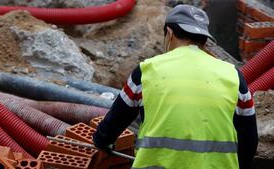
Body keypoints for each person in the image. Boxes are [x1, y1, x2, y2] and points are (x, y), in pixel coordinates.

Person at [93, 4, 258, 169]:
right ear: (205, 40)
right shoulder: (233, 76)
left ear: (169, 34)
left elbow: (114, 122)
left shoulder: (147, 71)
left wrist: (102, 141)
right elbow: (249, 140)